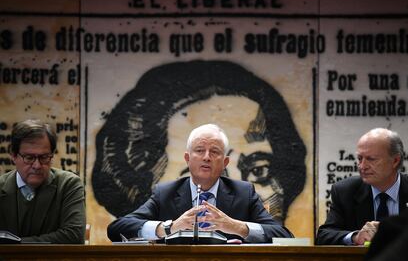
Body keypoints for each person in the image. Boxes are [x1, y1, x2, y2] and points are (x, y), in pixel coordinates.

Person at [93, 60, 306, 225]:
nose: (232, 187)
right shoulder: (162, 196)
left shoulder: (247, 196)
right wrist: (167, 228)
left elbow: (279, 232)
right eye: (199, 169)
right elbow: (121, 226)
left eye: (259, 170)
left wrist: (240, 228)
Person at [107, 124, 293, 243]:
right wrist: (169, 228)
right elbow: (117, 229)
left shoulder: (243, 193)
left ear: (225, 162)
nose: (206, 157)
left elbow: (284, 236)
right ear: (188, 159)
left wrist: (236, 227)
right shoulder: (166, 193)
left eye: (214, 151)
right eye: (199, 150)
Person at [316, 128, 408, 245]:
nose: (362, 166)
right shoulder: (345, 191)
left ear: (395, 161)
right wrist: (355, 237)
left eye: (371, 159)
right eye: (359, 158)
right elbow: (323, 236)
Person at [0, 119, 86, 244]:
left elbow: (74, 236)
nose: (37, 165)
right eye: (29, 158)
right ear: (13, 156)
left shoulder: (68, 185)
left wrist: (14, 245)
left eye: (44, 157)